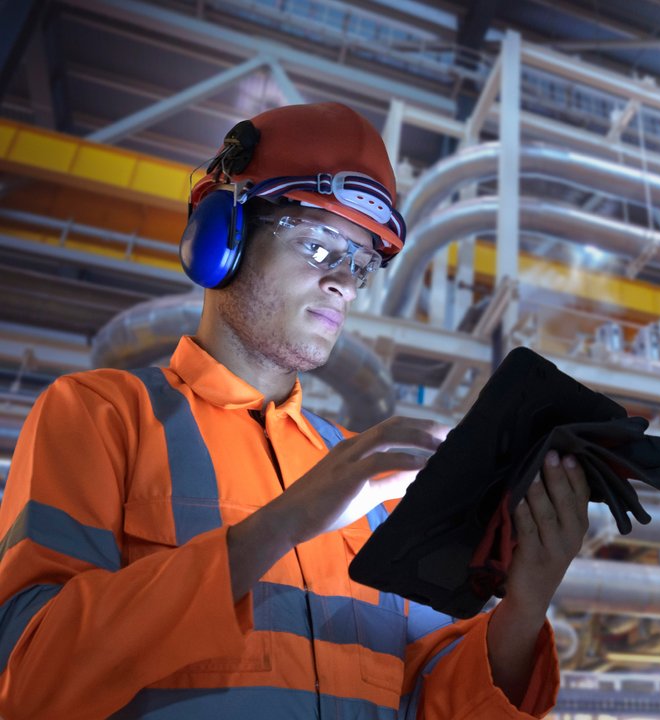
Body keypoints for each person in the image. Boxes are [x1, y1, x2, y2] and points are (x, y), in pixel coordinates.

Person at [0, 103, 587, 718]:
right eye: (318, 245)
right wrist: (281, 524)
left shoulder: (372, 480)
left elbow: (421, 699)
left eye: (360, 264)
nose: (345, 283)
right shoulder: (101, 417)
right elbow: (28, 676)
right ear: (220, 236)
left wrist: (524, 606)